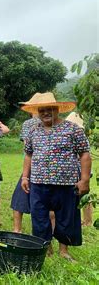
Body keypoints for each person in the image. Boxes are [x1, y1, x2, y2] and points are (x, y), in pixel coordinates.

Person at [20, 92, 91, 261]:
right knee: (39, 217)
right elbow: (28, 155)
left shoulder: (72, 129)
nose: (46, 113)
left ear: (57, 109)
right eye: (42, 110)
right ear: (37, 112)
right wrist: (24, 177)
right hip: (38, 183)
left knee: (66, 217)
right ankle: (46, 249)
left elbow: (85, 155)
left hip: (66, 184)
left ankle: (64, 251)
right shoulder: (32, 131)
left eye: (50, 109)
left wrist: (85, 180)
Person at [10, 93, 42, 233]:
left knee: (21, 200)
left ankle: (18, 230)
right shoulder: (30, 124)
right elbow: (27, 147)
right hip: (35, 167)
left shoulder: (30, 124)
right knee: (22, 196)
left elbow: (26, 147)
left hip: (36, 168)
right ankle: (18, 230)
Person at [65, 111, 94, 227]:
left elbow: (84, 156)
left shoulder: (80, 137)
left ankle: (87, 221)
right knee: (79, 195)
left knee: (84, 195)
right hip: (76, 170)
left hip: (81, 170)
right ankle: (82, 220)